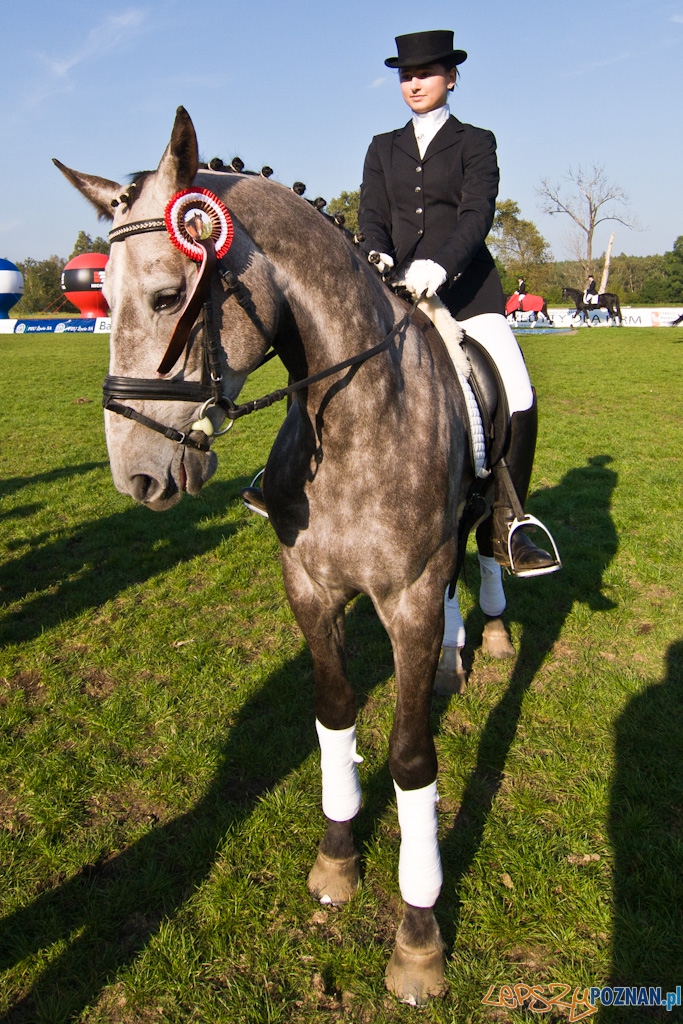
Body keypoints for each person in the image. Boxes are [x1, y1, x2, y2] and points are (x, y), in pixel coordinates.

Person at [358, 30, 558, 575]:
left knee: (517, 390)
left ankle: (510, 524)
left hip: (469, 292)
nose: (414, 83)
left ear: (451, 78)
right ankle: (283, 476)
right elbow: (372, 215)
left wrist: (441, 265)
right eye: (406, 75)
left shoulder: (476, 141)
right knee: (330, 351)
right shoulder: (382, 147)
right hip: (398, 296)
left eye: (425, 73)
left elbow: (477, 216)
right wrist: (376, 256)